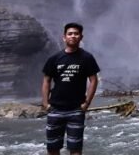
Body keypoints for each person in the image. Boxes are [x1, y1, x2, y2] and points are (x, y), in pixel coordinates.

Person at [42, 22, 100, 155]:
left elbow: (93, 80)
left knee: (75, 149)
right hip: (55, 109)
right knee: (52, 149)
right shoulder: (54, 59)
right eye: (70, 34)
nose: (73, 36)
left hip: (76, 110)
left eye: (76, 34)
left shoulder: (87, 58)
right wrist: (45, 103)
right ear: (64, 37)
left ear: (81, 37)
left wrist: (86, 103)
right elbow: (46, 80)